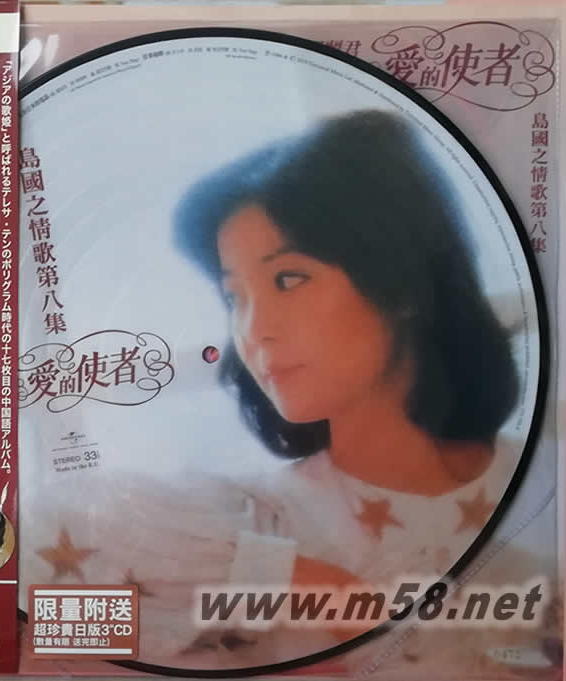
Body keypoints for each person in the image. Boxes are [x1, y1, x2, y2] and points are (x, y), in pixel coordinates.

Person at [171, 109, 521, 638]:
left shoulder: (544, 477)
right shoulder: (264, 521)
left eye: (288, 279)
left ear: (402, 283)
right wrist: (287, 576)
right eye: (234, 297)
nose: (254, 330)